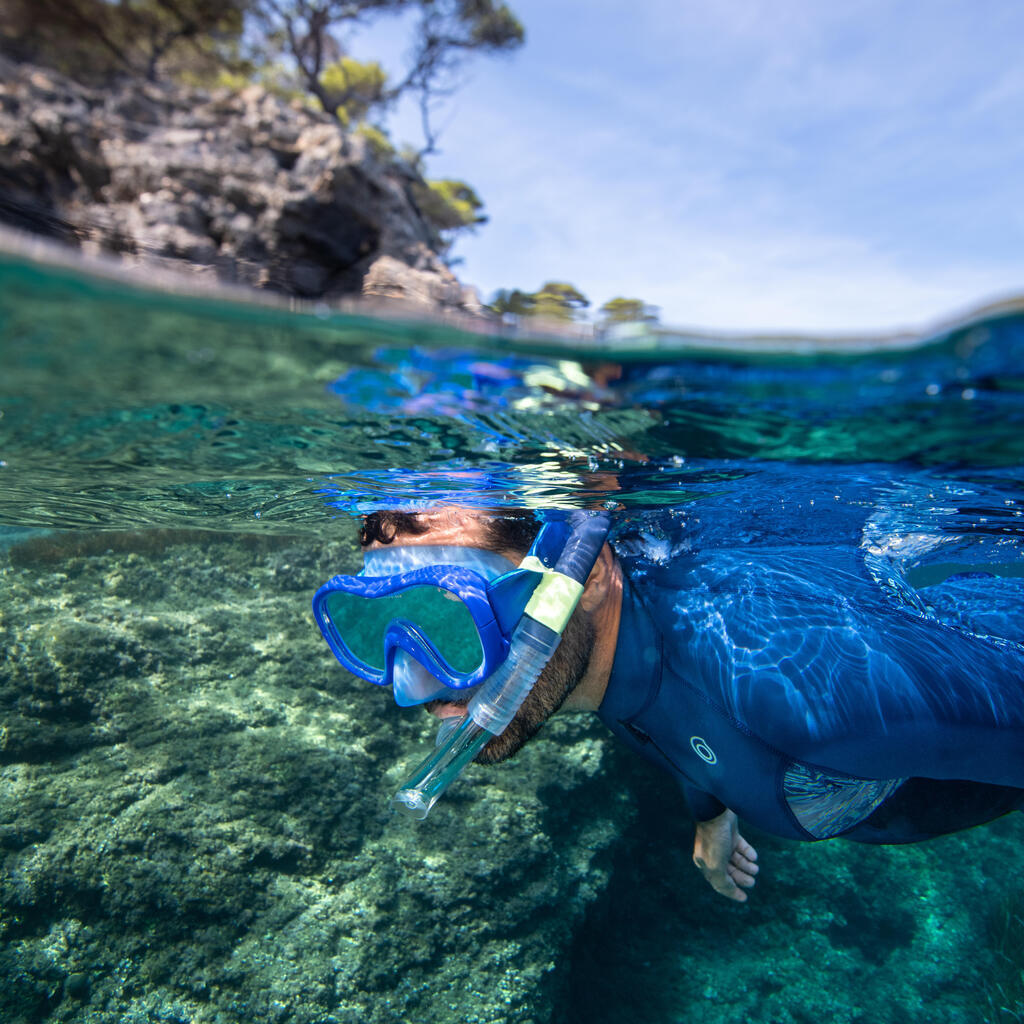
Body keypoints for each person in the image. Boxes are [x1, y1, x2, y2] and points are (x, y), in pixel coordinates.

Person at [313, 506, 1024, 902]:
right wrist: (712, 814)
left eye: (449, 622)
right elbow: (679, 717)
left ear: (584, 571)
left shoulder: (818, 701)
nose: (410, 687)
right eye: (378, 630)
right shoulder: (607, 662)